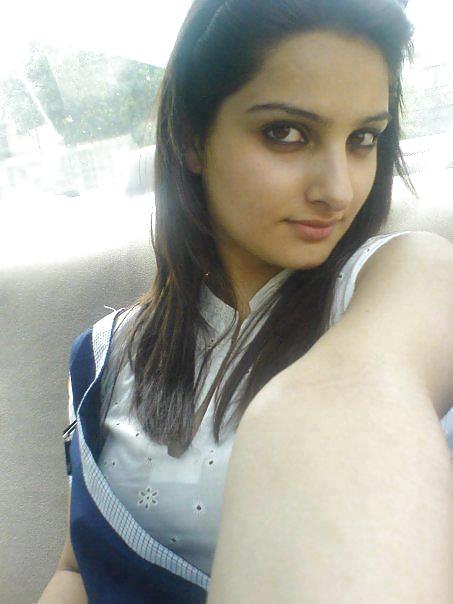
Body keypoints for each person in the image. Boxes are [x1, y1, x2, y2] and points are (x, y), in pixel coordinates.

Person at [38, 0, 453, 602]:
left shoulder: (399, 281)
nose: (338, 190)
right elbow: (78, 568)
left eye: (363, 138)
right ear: (191, 138)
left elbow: (376, 371)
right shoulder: (104, 357)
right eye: (286, 133)